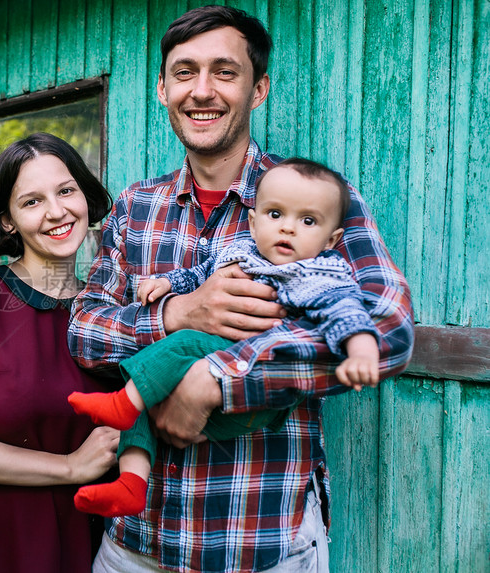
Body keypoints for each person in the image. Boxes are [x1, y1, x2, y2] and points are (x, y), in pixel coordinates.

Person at [67, 6, 414, 573]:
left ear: (259, 89)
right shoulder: (134, 207)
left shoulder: (316, 201)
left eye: (224, 72)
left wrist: (218, 381)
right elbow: (83, 332)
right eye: (184, 72)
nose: (202, 91)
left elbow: (389, 332)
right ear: (162, 90)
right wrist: (177, 314)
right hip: (136, 546)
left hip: (261, 542)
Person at [68, 158, 380, 518]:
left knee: (181, 345)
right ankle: (131, 485)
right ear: (254, 221)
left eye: (307, 221)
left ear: (332, 239)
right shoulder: (243, 252)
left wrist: (361, 350)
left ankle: (126, 406)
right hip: (140, 535)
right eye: (275, 215)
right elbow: (199, 272)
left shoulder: (316, 274)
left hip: (252, 405)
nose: (288, 229)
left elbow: (349, 313)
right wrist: (170, 288)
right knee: (142, 400)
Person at [0, 132, 120, 573]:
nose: (56, 211)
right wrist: (69, 467)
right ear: (8, 220)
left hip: (81, 535)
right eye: (31, 201)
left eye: (66, 190)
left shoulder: (108, 313)